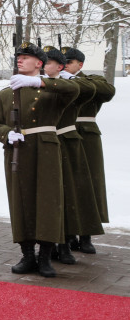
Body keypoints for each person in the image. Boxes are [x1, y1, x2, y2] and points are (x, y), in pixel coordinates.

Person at [0, 42, 72, 277]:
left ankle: (45, 257)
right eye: (19, 57)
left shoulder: (52, 90)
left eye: (26, 57)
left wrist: (41, 81)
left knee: (47, 202)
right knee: (21, 201)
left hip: (45, 150)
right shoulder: (6, 94)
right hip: (18, 152)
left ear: (39, 63)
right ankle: (27, 255)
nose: (20, 60)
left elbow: (74, 90)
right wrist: (7, 134)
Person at [46, 48, 97, 266]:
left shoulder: (73, 86)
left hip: (67, 142)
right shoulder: (37, 84)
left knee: (70, 194)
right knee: (50, 196)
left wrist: (65, 77)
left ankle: (67, 242)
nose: (65, 65)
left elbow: (90, 89)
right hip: (45, 143)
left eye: (68, 62)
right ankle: (50, 245)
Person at [70, 47, 113, 251]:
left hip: (86, 136)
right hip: (62, 134)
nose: (66, 66)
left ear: (80, 64)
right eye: (63, 62)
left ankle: (86, 235)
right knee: (67, 185)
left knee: (89, 184)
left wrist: (71, 81)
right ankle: (67, 235)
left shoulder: (91, 80)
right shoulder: (53, 81)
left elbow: (107, 91)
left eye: (70, 62)